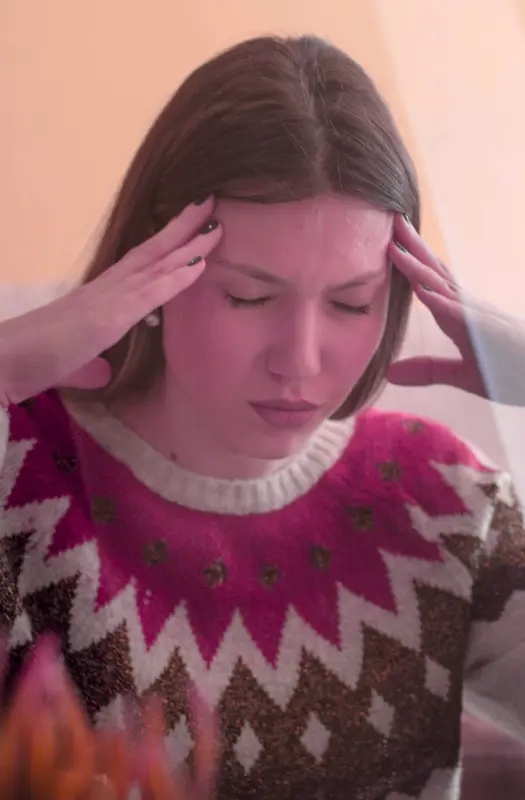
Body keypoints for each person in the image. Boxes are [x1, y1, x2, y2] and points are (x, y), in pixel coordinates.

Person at [0, 35, 524, 800]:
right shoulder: (22, 475)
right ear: (153, 268)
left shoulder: (443, 500)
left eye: (352, 303)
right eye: (248, 297)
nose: (299, 361)